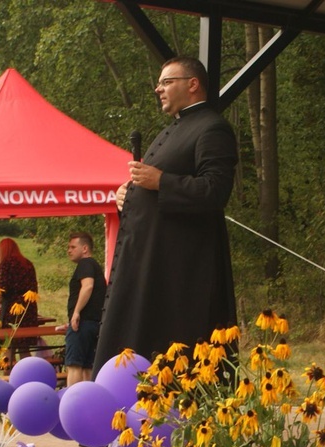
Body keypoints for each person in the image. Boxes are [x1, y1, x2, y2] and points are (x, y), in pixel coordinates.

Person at [93, 56, 238, 381]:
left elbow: (215, 190)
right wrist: (127, 196)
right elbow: (151, 189)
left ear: (192, 83)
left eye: (167, 82)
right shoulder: (173, 129)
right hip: (151, 264)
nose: (158, 89)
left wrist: (160, 182)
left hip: (180, 272)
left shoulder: (212, 128)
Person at [64, 232, 106, 386]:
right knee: (88, 367)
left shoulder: (86, 264)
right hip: (94, 323)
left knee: (74, 365)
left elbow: (87, 286)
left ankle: (71, 403)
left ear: (85, 248)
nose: (69, 250)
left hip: (82, 323)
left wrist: (76, 313)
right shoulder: (95, 265)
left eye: (73, 247)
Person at [0, 238, 39, 360]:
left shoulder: (6, 263)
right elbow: (34, 288)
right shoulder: (27, 263)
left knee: (9, 347)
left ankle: (7, 376)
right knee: (24, 349)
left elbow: (3, 289)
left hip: (12, 311)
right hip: (28, 310)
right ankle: (28, 376)